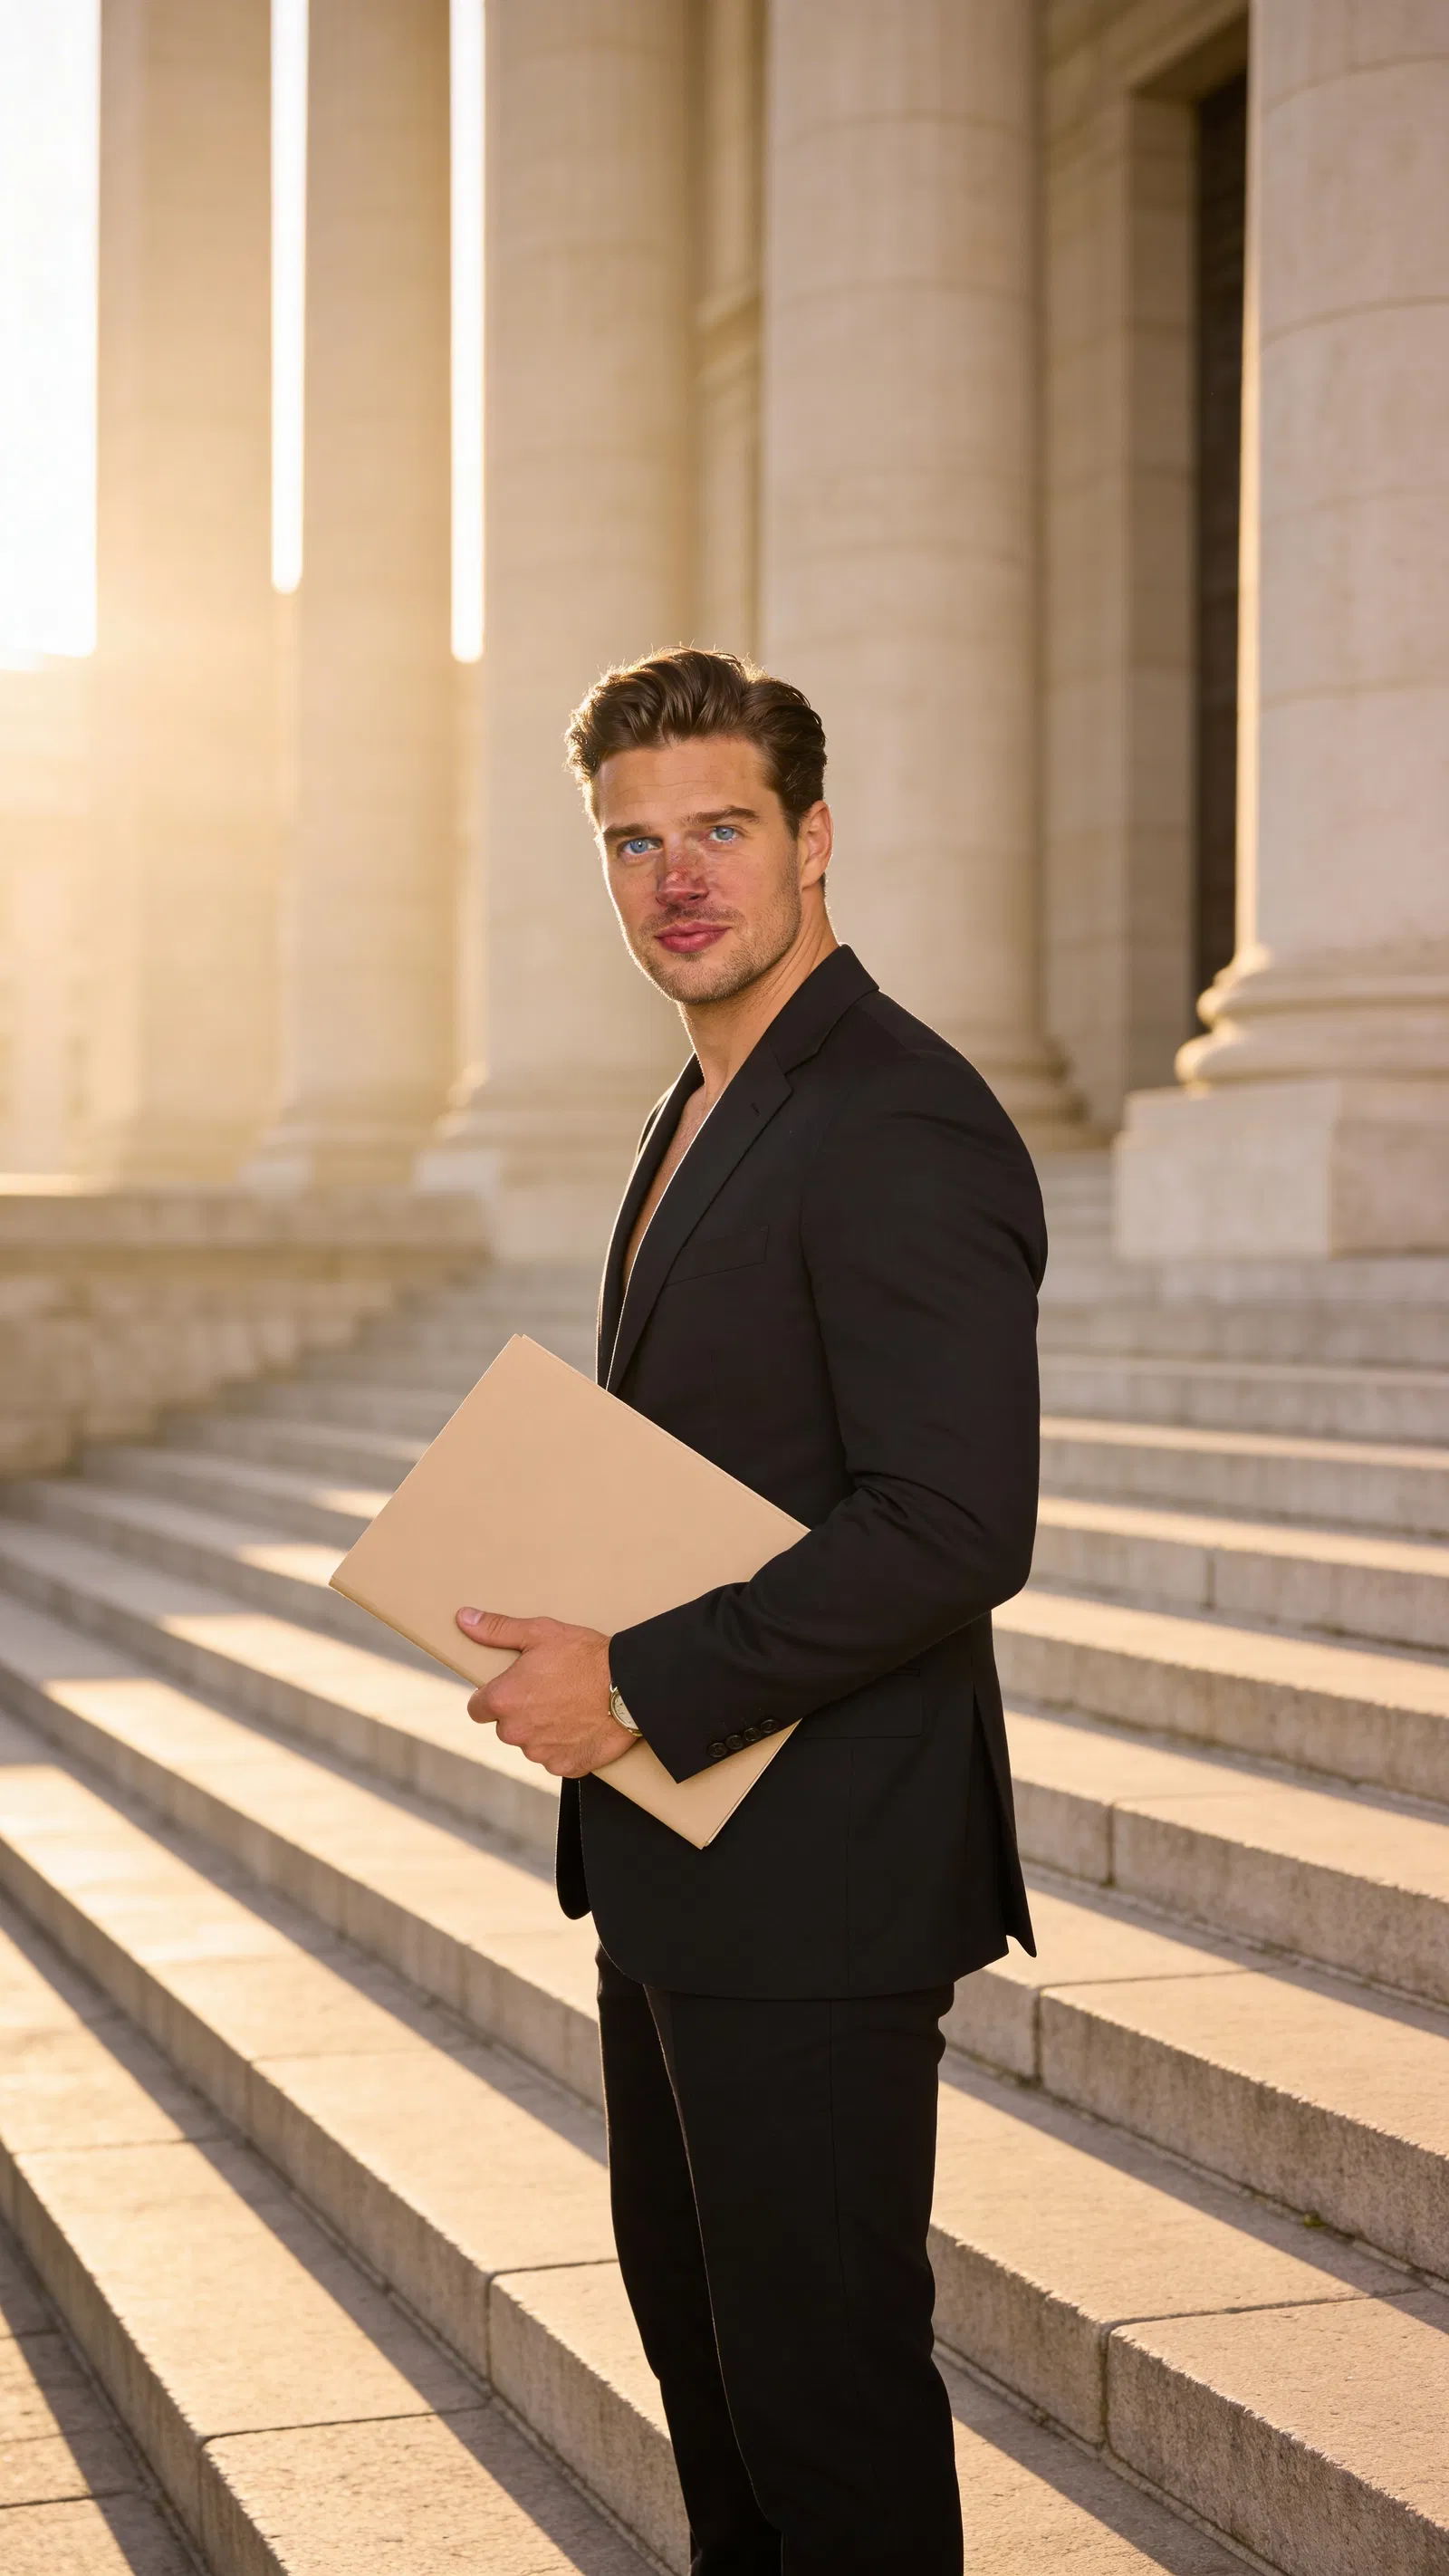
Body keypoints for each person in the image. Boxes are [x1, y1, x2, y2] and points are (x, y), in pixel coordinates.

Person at [456, 647, 1044, 2575]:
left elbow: (951, 1522)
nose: (673, 878)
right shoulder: (702, 1100)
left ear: (811, 837)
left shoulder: (896, 1116)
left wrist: (631, 1675)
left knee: (822, 2409)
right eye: (632, 843)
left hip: (823, 1870)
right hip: (685, 1858)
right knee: (715, 2388)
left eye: (717, 829)